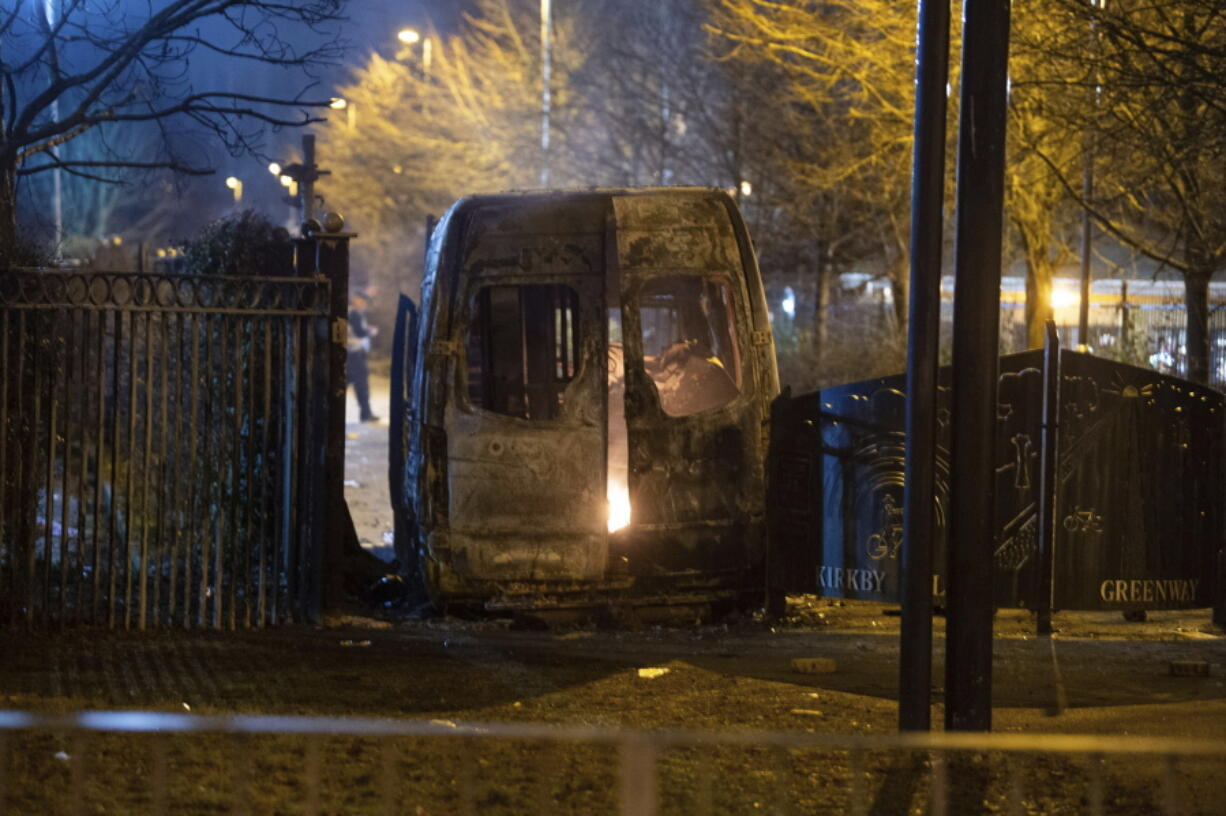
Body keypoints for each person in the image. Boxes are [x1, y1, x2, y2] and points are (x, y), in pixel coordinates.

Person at [347, 287, 379, 422]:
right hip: (355, 354)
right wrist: (371, 332)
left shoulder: (353, 313)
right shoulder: (355, 314)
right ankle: (366, 414)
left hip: (352, 353)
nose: (364, 303)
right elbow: (360, 333)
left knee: (350, 382)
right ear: (356, 300)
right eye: (362, 300)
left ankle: (365, 413)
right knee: (361, 385)